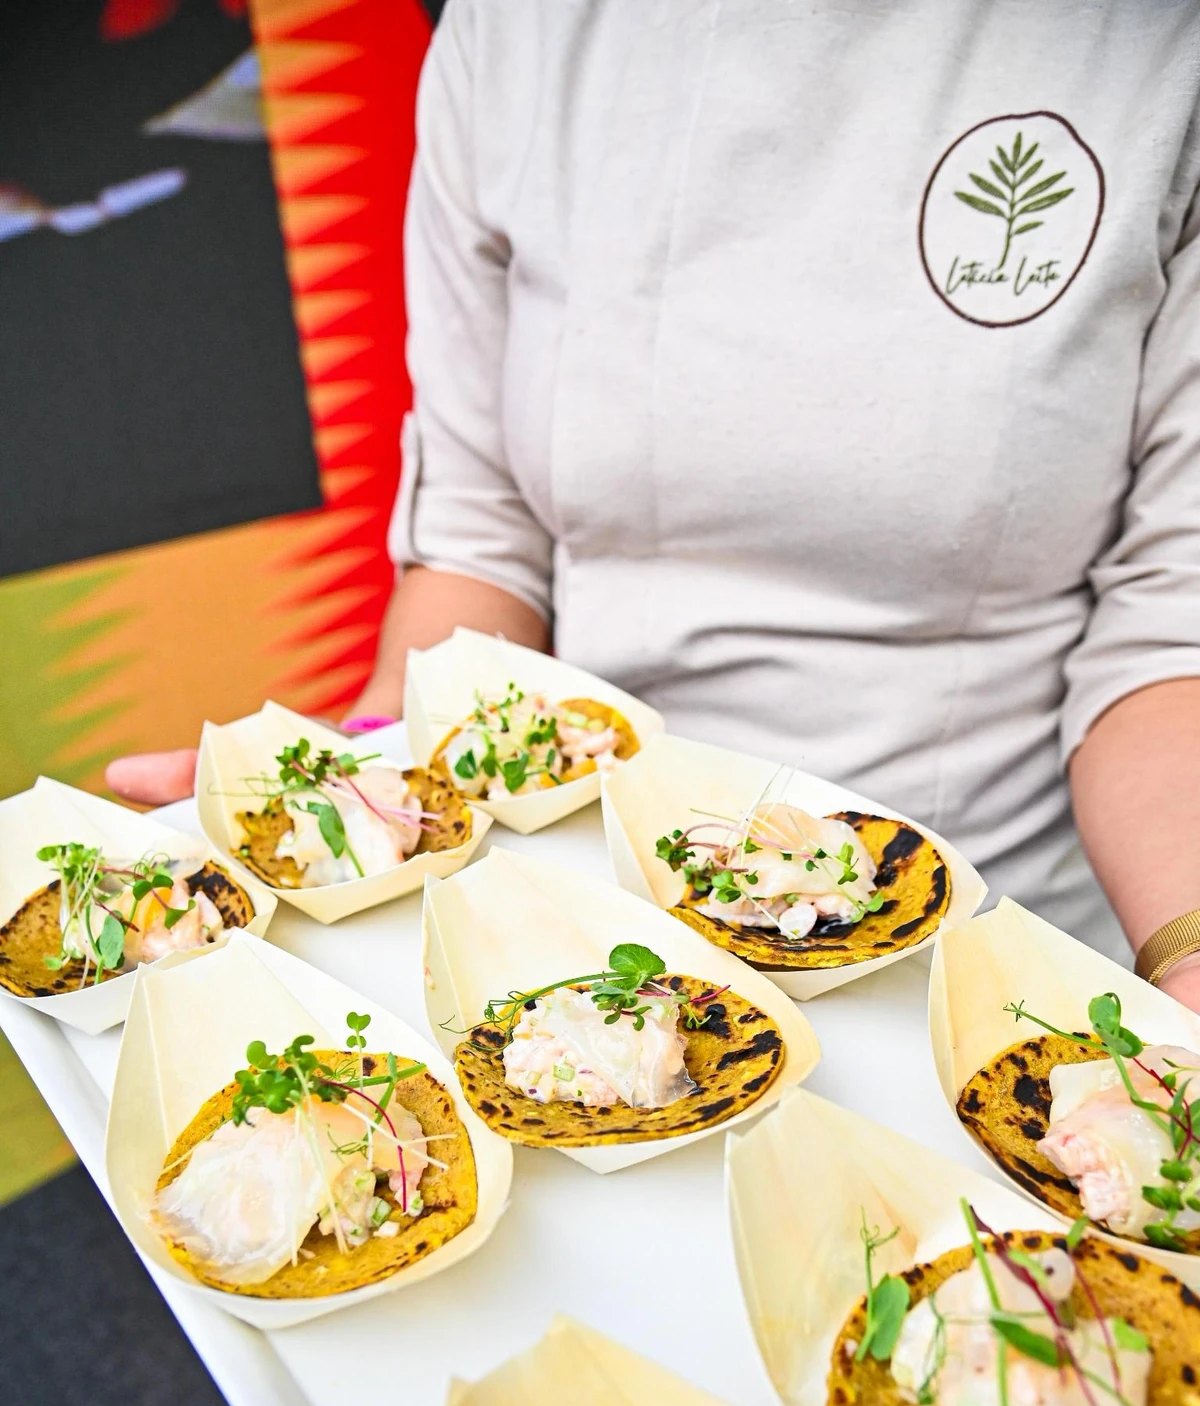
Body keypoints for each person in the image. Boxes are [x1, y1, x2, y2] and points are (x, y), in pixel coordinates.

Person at [109, 0, 1200, 1010]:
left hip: (977, 940)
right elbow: (483, 540)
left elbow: (1169, 641)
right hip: (572, 918)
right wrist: (359, 789)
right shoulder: (516, 29)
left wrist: (1190, 956)